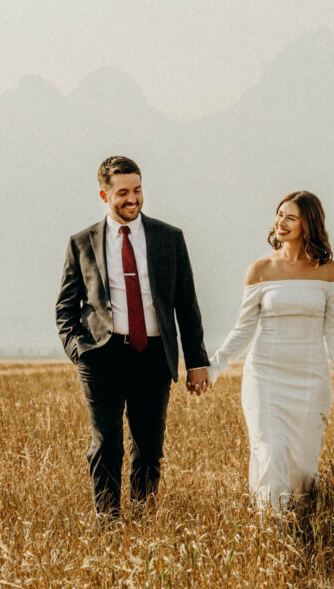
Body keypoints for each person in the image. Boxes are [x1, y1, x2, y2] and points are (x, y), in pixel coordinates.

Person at [55, 156, 211, 521]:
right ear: (104, 194)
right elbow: (65, 306)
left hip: (153, 355)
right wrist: (78, 350)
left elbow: (186, 303)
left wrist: (197, 361)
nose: (133, 198)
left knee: (149, 447)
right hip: (102, 356)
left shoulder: (169, 237)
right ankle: (107, 524)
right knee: (106, 445)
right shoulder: (81, 243)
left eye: (137, 190)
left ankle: (143, 523)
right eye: (123, 192)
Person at [209, 190, 334, 510]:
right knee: (271, 449)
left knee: (303, 467)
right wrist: (212, 368)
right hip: (265, 376)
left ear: (309, 224)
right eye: (279, 215)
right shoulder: (260, 270)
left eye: (291, 217)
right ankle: (273, 532)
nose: (281, 222)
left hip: (310, 379)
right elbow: (243, 329)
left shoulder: (328, 270)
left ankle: (304, 526)